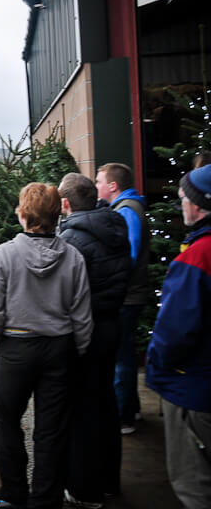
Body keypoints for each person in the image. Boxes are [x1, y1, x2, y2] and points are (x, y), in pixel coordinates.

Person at [0, 183, 93, 509]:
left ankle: (13, 494)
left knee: (6, 422)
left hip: (16, 347)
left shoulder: (4, 255)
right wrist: (78, 350)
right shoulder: (73, 257)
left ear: (22, 213)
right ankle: (46, 500)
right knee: (51, 430)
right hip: (60, 348)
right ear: (57, 214)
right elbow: (82, 316)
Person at [58, 172, 133, 507]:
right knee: (104, 403)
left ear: (65, 203)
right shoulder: (116, 226)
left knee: (83, 408)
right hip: (111, 324)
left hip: (85, 331)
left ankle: (84, 489)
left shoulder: (73, 239)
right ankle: (108, 480)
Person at [145, 164, 211, 509]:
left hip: (194, 387)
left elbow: (176, 329)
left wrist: (160, 368)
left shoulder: (199, 255)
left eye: (184, 198)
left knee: (194, 482)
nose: (180, 204)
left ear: (199, 205)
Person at [95, 162, 150, 435]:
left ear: (113, 186)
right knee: (125, 354)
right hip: (130, 293)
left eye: (99, 181)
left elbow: (128, 253)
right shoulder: (126, 208)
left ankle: (123, 416)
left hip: (127, 296)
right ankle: (133, 409)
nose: (96, 186)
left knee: (122, 357)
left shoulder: (126, 211)